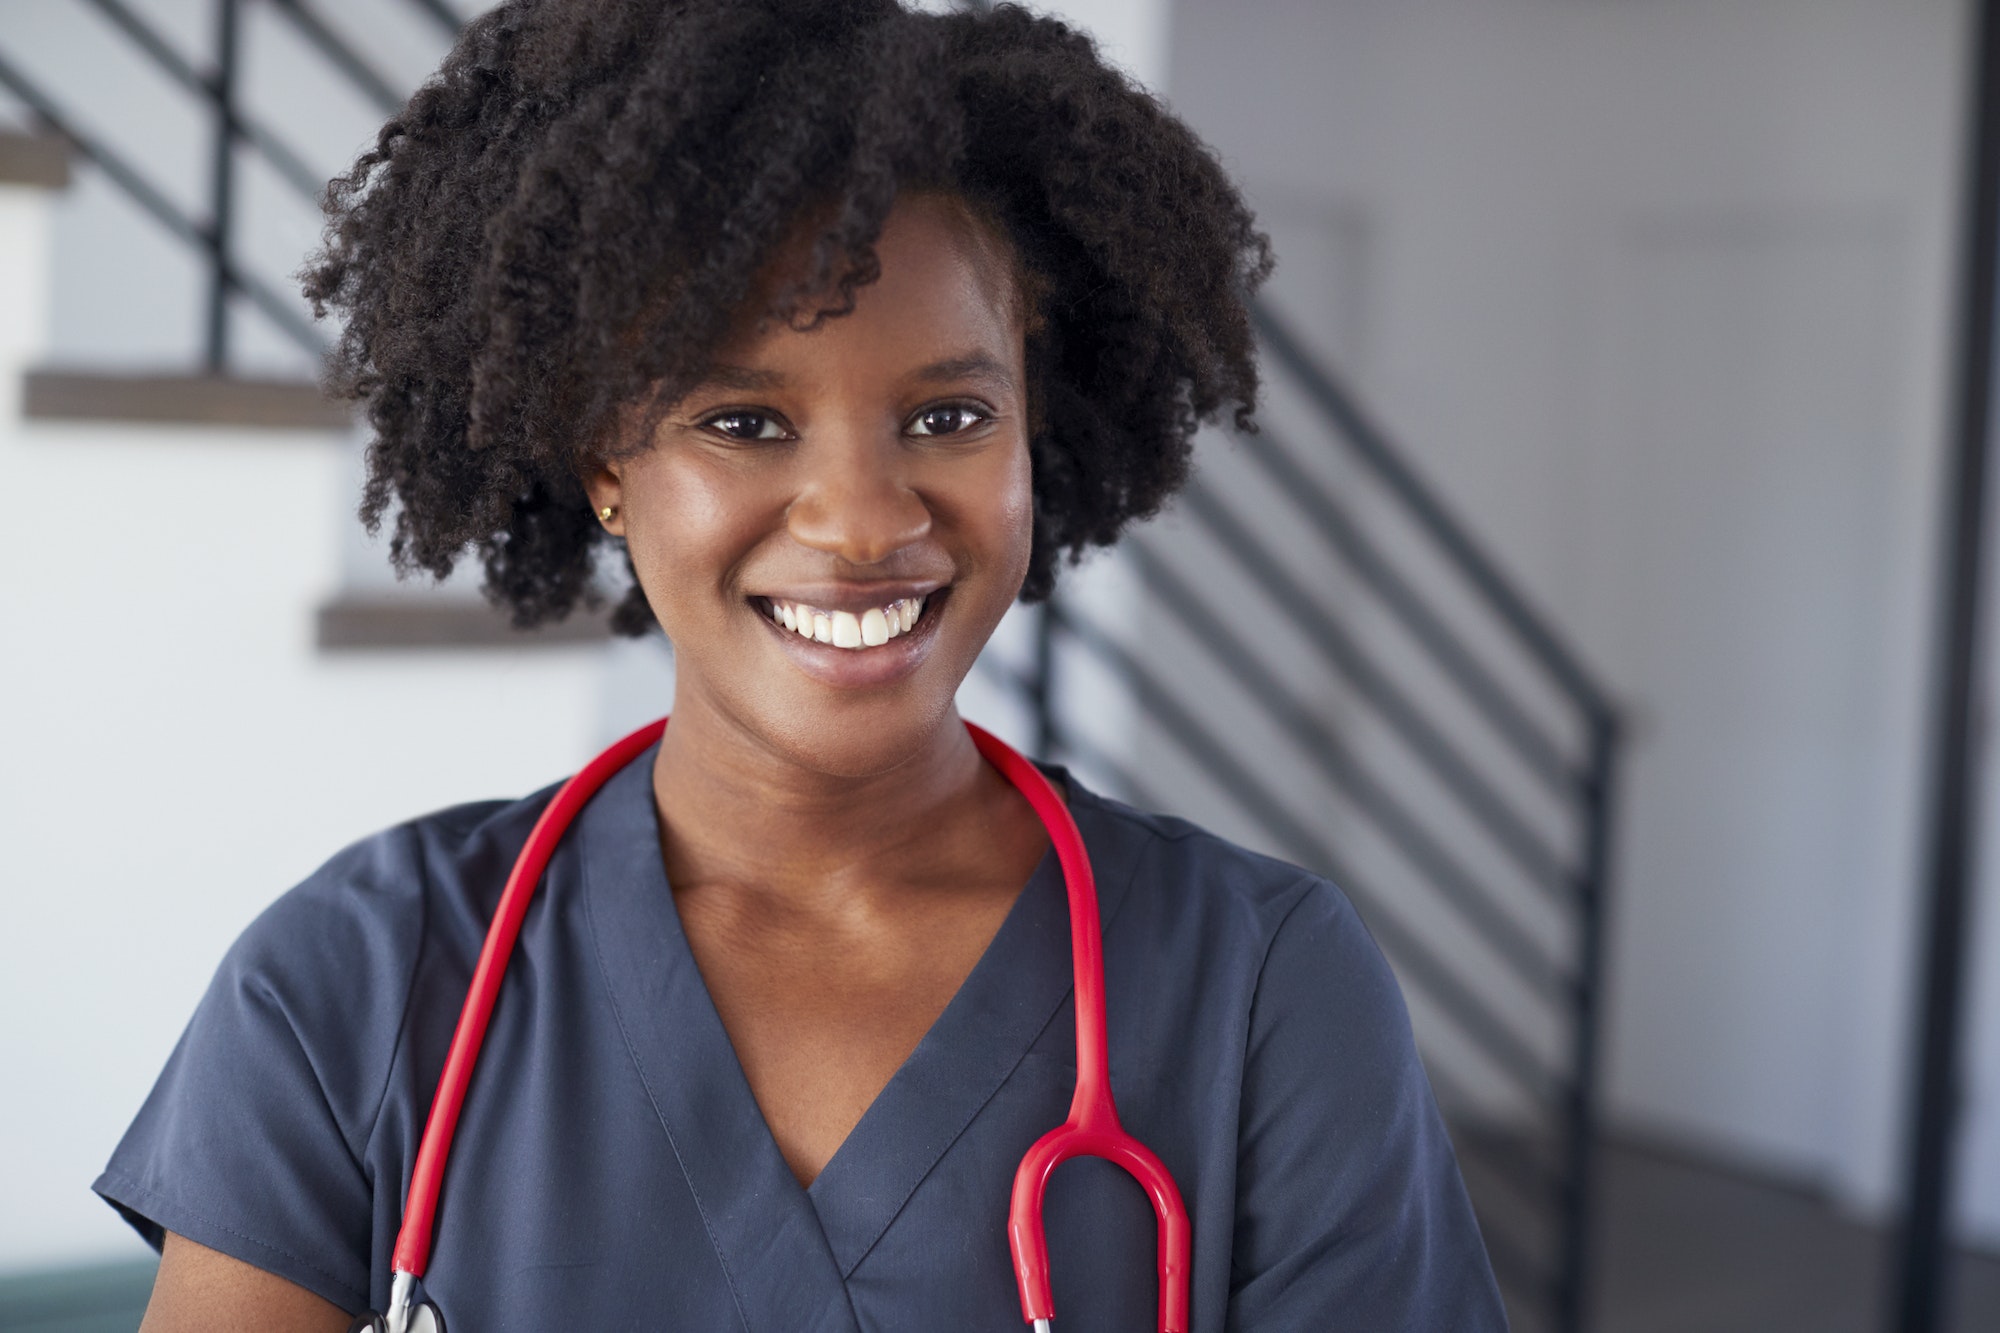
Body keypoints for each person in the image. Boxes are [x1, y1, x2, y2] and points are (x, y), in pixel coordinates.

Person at [95, 1, 1508, 1328]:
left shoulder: (1262, 983)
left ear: (1038, 433)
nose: (864, 521)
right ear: (606, 462)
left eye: (950, 414)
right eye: (745, 422)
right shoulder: (355, 979)